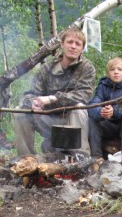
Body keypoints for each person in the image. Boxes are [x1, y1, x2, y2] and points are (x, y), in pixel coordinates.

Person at [13, 27, 95, 157]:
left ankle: (81, 157)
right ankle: (26, 159)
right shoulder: (47, 67)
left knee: (79, 108)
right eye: (70, 42)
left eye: (78, 44)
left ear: (82, 48)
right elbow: (31, 93)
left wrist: (53, 98)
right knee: (20, 112)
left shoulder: (87, 67)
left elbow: (84, 94)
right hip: (48, 119)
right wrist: (33, 103)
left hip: (72, 122)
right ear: (62, 44)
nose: (73, 46)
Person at [87, 57, 122, 159]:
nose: (116, 72)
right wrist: (101, 112)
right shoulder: (102, 85)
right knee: (92, 121)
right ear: (107, 74)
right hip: (107, 123)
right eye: (112, 69)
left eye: (120, 69)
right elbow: (94, 103)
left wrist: (114, 111)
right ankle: (96, 157)